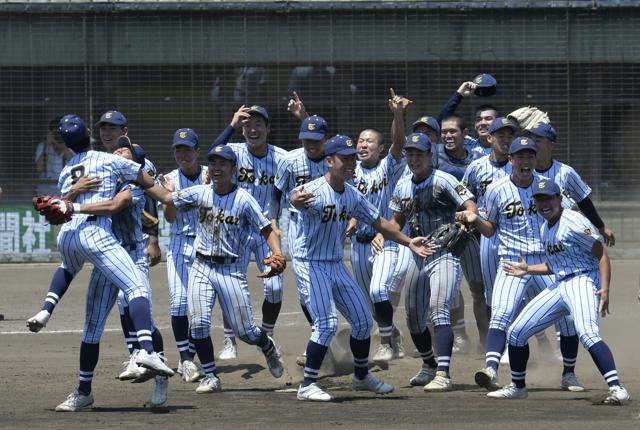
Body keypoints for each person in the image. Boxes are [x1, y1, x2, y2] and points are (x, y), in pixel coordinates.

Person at [28, 114, 173, 412]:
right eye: (105, 129)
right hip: (103, 251)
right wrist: (73, 192)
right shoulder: (96, 166)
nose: (112, 140)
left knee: (131, 304)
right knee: (92, 326)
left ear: (126, 134)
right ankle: (84, 391)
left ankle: (151, 358)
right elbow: (67, 204)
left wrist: (73, 202)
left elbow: (117, 204)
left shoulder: (133, 167)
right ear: (95, 133)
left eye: (118, 136)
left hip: (130, 250)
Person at [289, 134, 435, 401]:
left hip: (335, 264)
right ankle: (307, 384)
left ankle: (361, 376)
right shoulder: (312, 191)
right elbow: (295, 198)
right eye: (343, 159)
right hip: (311, 265)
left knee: (363, 321)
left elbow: (381, 223)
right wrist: (295, 199)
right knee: (326, 324)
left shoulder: (352, 195)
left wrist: (408, 241)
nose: (350, 163)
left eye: (351, 158)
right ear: (329, 161)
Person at [145, 144, 285, 394]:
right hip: (201, 266)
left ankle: (267, 346)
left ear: (233, 168)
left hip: (230, 270)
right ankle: (210, 375)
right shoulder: (200, 192)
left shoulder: (244, 200)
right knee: (198, 324)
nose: (216, 167)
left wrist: (276, 253)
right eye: (213, 163)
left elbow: (266, 229)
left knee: (246, 331)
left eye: (223, 163)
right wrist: (140, 177)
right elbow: (167, 198)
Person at [486, 178, 629, 403]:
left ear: (559, 199)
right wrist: (528, 269)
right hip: (560, 283)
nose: (544, 204)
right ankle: (518, 386)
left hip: (583, 280)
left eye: (549, 198)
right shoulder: (545, 227)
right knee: (516, 332)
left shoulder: (573, 221)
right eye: (540, 199)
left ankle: (617, 388)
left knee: (587, 333)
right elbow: (555, 264)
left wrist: (605, 288)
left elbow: (601, 253)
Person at [456, 137, 581, 393]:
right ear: (510, 160)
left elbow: (567, 213)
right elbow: (490, 230)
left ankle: (569, 373)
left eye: (530, 156)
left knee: (567, 317)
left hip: (546, 262)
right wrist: (475, 219)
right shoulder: (496, 190)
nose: (526, 161)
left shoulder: (548, 188)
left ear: (536, 159)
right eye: (520, 157)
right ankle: (490, 368)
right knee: (501, 313)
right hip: (512, 261)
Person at [388, 132, 479, 392]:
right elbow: (396, 222)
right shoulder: (403, 185)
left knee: (439, 309)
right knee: (414, 318)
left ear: (430, 155)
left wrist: (469, 216)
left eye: (419, 153)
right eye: (410, 154)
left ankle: (443, 373)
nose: (414, 158)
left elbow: (469, 205)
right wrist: (383, 234)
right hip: (417, 255)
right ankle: (429, 364)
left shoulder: (444, 179)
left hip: (445, 253)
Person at [208, 104, 289, 360]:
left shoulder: (282, 157)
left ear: (268, 128)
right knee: (230, 284)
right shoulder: (235, 152)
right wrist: (231, 125)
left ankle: (267, 334)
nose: (252, 129)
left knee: (275, 288)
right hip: (237, 231)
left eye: (258, 124)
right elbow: (212, 153)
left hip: (267, 228)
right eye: (247, 125)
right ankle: (229, 339)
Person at [348, 89, 408, 365]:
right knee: (368, 303)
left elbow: (399, 143)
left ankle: (385, 343)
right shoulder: (350, 171)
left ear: (380, 148)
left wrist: (397, 114)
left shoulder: (388, 167)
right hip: (359, 245)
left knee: (378, 291)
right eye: (360, 140)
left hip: (386, 241)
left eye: (369, 141)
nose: (363, 144)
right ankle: (392, 333)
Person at [272, 95, 330, 366]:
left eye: (316, 140)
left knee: (332, 285)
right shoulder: (290, 160)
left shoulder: (334, 159)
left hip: (329, 226)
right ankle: (320, 334)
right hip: (299, 228)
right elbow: (276, 192)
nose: (310, 144)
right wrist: (273, 222)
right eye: (306, 139)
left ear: (325, 140)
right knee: (307, 290)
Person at [434, 114, 486, 354]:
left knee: (478, 288)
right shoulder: (434, 155)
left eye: (453, 131)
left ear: (465, 134)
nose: (447, 136)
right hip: (441, 231)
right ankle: (459, 334)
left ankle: (485, 338)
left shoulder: (477, 159)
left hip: (471, 232)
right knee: (448, 288)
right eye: (444, 132)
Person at [162, 128, 208, 383]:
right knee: (179, 302)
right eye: (179, 149)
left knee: (201, 311)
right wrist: (168, 195)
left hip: (205, 246)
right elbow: (169, 217)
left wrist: (206, 190)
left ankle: (186, 356)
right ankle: (187, 360)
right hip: (179, 243)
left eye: (188, 149)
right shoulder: (169, 179)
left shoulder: (210, 175)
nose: (183, 154)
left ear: (197, 151)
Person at [527, 122, 615, 246]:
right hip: (531, 240)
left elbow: (583, 201)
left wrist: (601, 227)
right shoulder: (523, 172)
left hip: (559, 241)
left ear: (551, 146)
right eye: (530, 140)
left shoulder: (565, 172)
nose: (532, 144)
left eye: (538, 140)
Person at [35, 117, 73, 195]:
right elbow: (39, 168)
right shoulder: (43, 146)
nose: (58, 136)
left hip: (66, 189)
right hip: (45, 190)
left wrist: (63, 146)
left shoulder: (72, 146)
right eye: (56, 133)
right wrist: (48, 146)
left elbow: (74, 165)